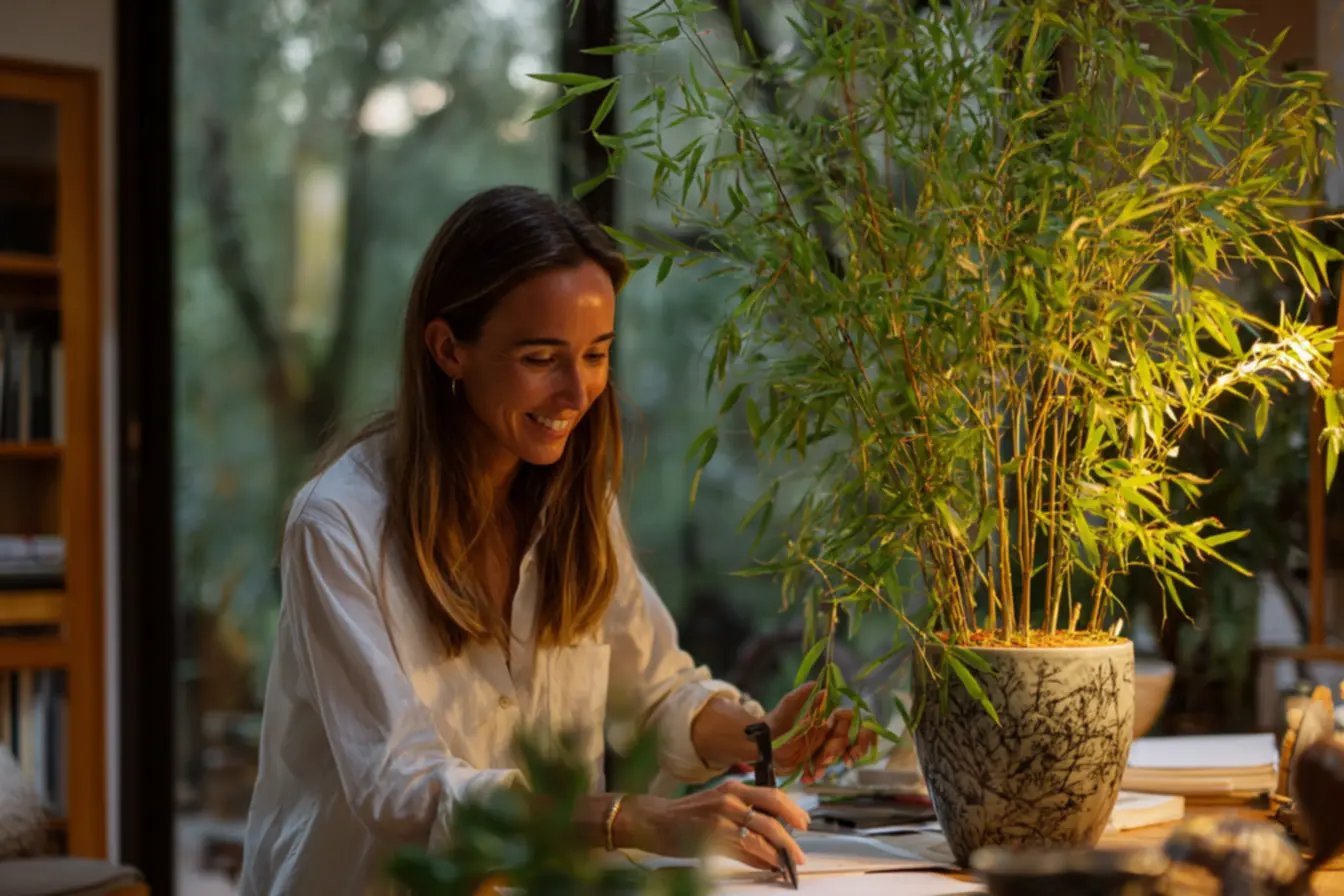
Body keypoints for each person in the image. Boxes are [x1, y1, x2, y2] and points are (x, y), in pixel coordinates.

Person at [238, 185, 877, 895]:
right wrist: (634, 820)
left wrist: (761, 736)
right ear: (448, 349)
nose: (578, 393)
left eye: (596, 354)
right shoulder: (339, 525)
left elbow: (657, 692)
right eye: (541, 359)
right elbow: (402, 787)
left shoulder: (577, 509)